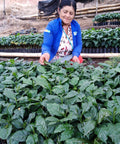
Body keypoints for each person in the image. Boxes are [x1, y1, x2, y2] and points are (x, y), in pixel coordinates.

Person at [39, 0, 83, 65]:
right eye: (65, 12)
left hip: (69, 58)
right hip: (54, 60)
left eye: (71, 13)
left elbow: (78, 44)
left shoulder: (76, 26)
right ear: (59, 10)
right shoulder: (52, 26)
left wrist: (75, 55)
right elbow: (46, 45)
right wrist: (46, 53)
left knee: (79, 58)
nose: (67, 15)